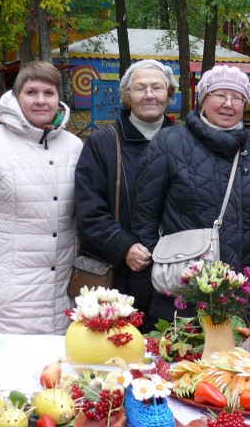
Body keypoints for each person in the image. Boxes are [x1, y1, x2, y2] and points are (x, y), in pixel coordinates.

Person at [131, 65, 250, 325]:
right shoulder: (170, 143)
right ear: (203, 100)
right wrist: (162, 269)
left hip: (244, 294)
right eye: (219, 95)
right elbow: (145, 216)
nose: (228, 104)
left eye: (237, 98)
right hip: (185, 291)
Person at [0, 61, 82, 334]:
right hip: (6, 300)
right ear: (16, 97)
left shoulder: (74, 146)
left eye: (49, 93)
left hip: (62, 300)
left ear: (59, 98)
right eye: (31, 92)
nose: (41, 100)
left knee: (56, 376)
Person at [74, 60, 176, 320]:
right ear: (127, 96)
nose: (149, 95)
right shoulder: (103, 143)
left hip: (175, 275)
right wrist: (123, 246)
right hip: (120, 278)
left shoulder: (185, 142)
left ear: (170, 94)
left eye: (157, 87)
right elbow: (89, 209)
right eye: (140, 88)